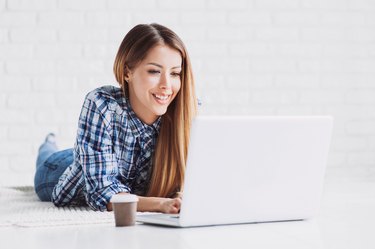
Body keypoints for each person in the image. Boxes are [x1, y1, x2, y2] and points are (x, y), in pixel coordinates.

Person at [34, 23, 198, 213]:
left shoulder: (187, 112)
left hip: (97, 153)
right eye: (154, 71)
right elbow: (102, 192)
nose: (166, 85)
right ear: (128, 72)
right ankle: (48, 142)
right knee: (48, 155)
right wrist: (160, 204)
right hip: (61, 169)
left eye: (175, 73)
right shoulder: (102, 104)